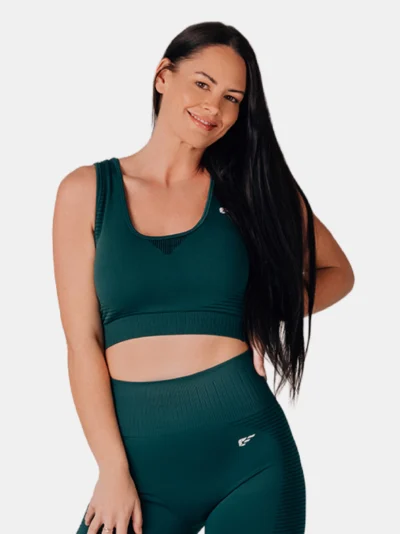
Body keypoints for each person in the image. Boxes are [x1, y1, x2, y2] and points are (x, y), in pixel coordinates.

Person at [52, 21, 355, 534]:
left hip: (250, 461)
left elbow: (338, 272)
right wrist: (112, 470)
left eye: (232, 98)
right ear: (162, 77)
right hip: (139, 473)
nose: (214, 107)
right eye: (202, 83)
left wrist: (264, 313)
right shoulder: (86, 191)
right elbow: (83, 343)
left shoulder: (251, 189)